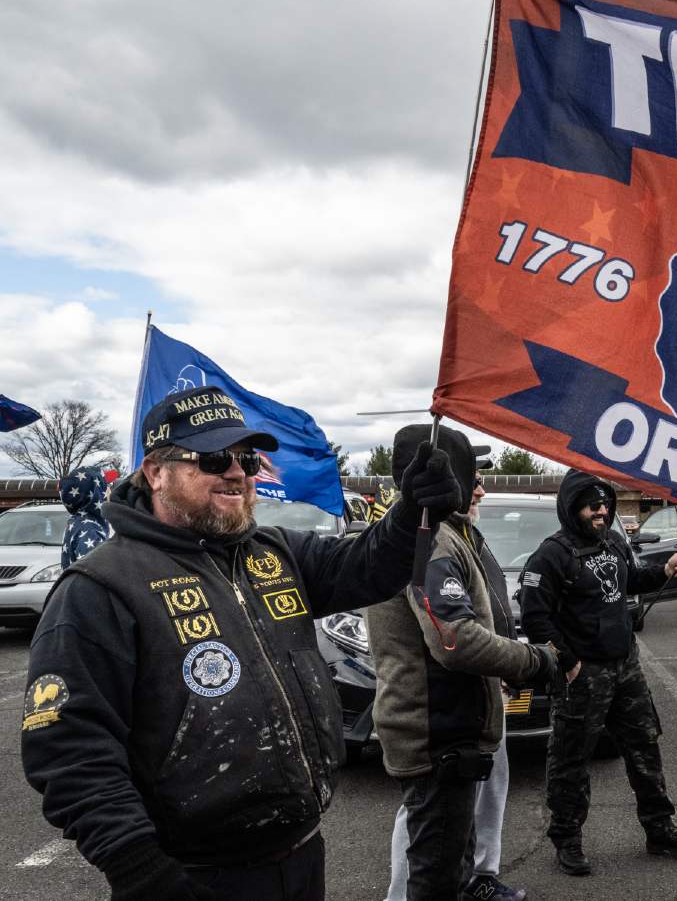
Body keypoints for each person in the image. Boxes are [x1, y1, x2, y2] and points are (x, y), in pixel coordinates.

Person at [20, 386, 462, 901]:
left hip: (300, 854)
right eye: (212, 458)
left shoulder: (272, 552)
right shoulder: (99, 587)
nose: (237, 472)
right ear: (156, 472)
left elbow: (369, 567)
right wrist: (145, 875)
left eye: (247, 458)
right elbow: (69, 750)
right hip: (192, 875)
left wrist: (411, 513)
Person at [368, 425, 556, 901]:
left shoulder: (455, 533)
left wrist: (500, 674)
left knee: (450, 856)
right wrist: (535, 662)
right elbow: (456, 641)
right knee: (428, 864)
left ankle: (474, 882)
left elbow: (480, 615)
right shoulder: (427, 538)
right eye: (470, 475)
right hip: (437, 731)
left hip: (461, 721)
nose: (480, 486)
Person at [518, 469, 677, 875]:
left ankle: (660, 829)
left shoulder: (614, 542)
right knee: (570, 759)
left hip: (626, 668)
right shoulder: (551, 555)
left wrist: (665, 569)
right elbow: (535, 617)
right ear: (572, 507)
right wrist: (567, 662)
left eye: (605, 503)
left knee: (644, 747)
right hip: (583, 676)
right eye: (592, 504)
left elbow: (631, 580)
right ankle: (567, 840)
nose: (601, 510)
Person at [58, 465, 110, 570]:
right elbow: (97, 575)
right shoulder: (90, 529)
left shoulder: (77, 521)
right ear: (96, 493)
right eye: (106, 485)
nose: (110, 489)